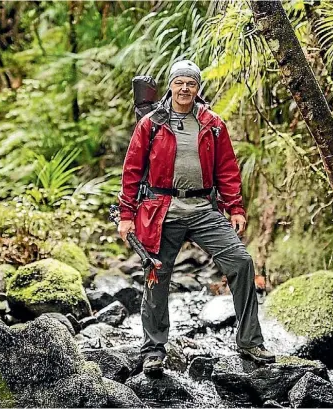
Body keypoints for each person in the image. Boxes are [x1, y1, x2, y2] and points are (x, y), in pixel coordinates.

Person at [117, 60, 275, 376]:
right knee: (155, 275)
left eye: (191, 83)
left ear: (197, 87)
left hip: (204, 209)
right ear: (171, 86)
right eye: (179, 83)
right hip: (162, 210)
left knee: (241, 263)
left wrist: (236, 208)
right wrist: (126, 214)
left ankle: (250, 342)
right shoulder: (151, 123)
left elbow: (227, 169)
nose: (185, 88)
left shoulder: (212, 123)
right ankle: (153, 350)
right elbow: (132, 170)